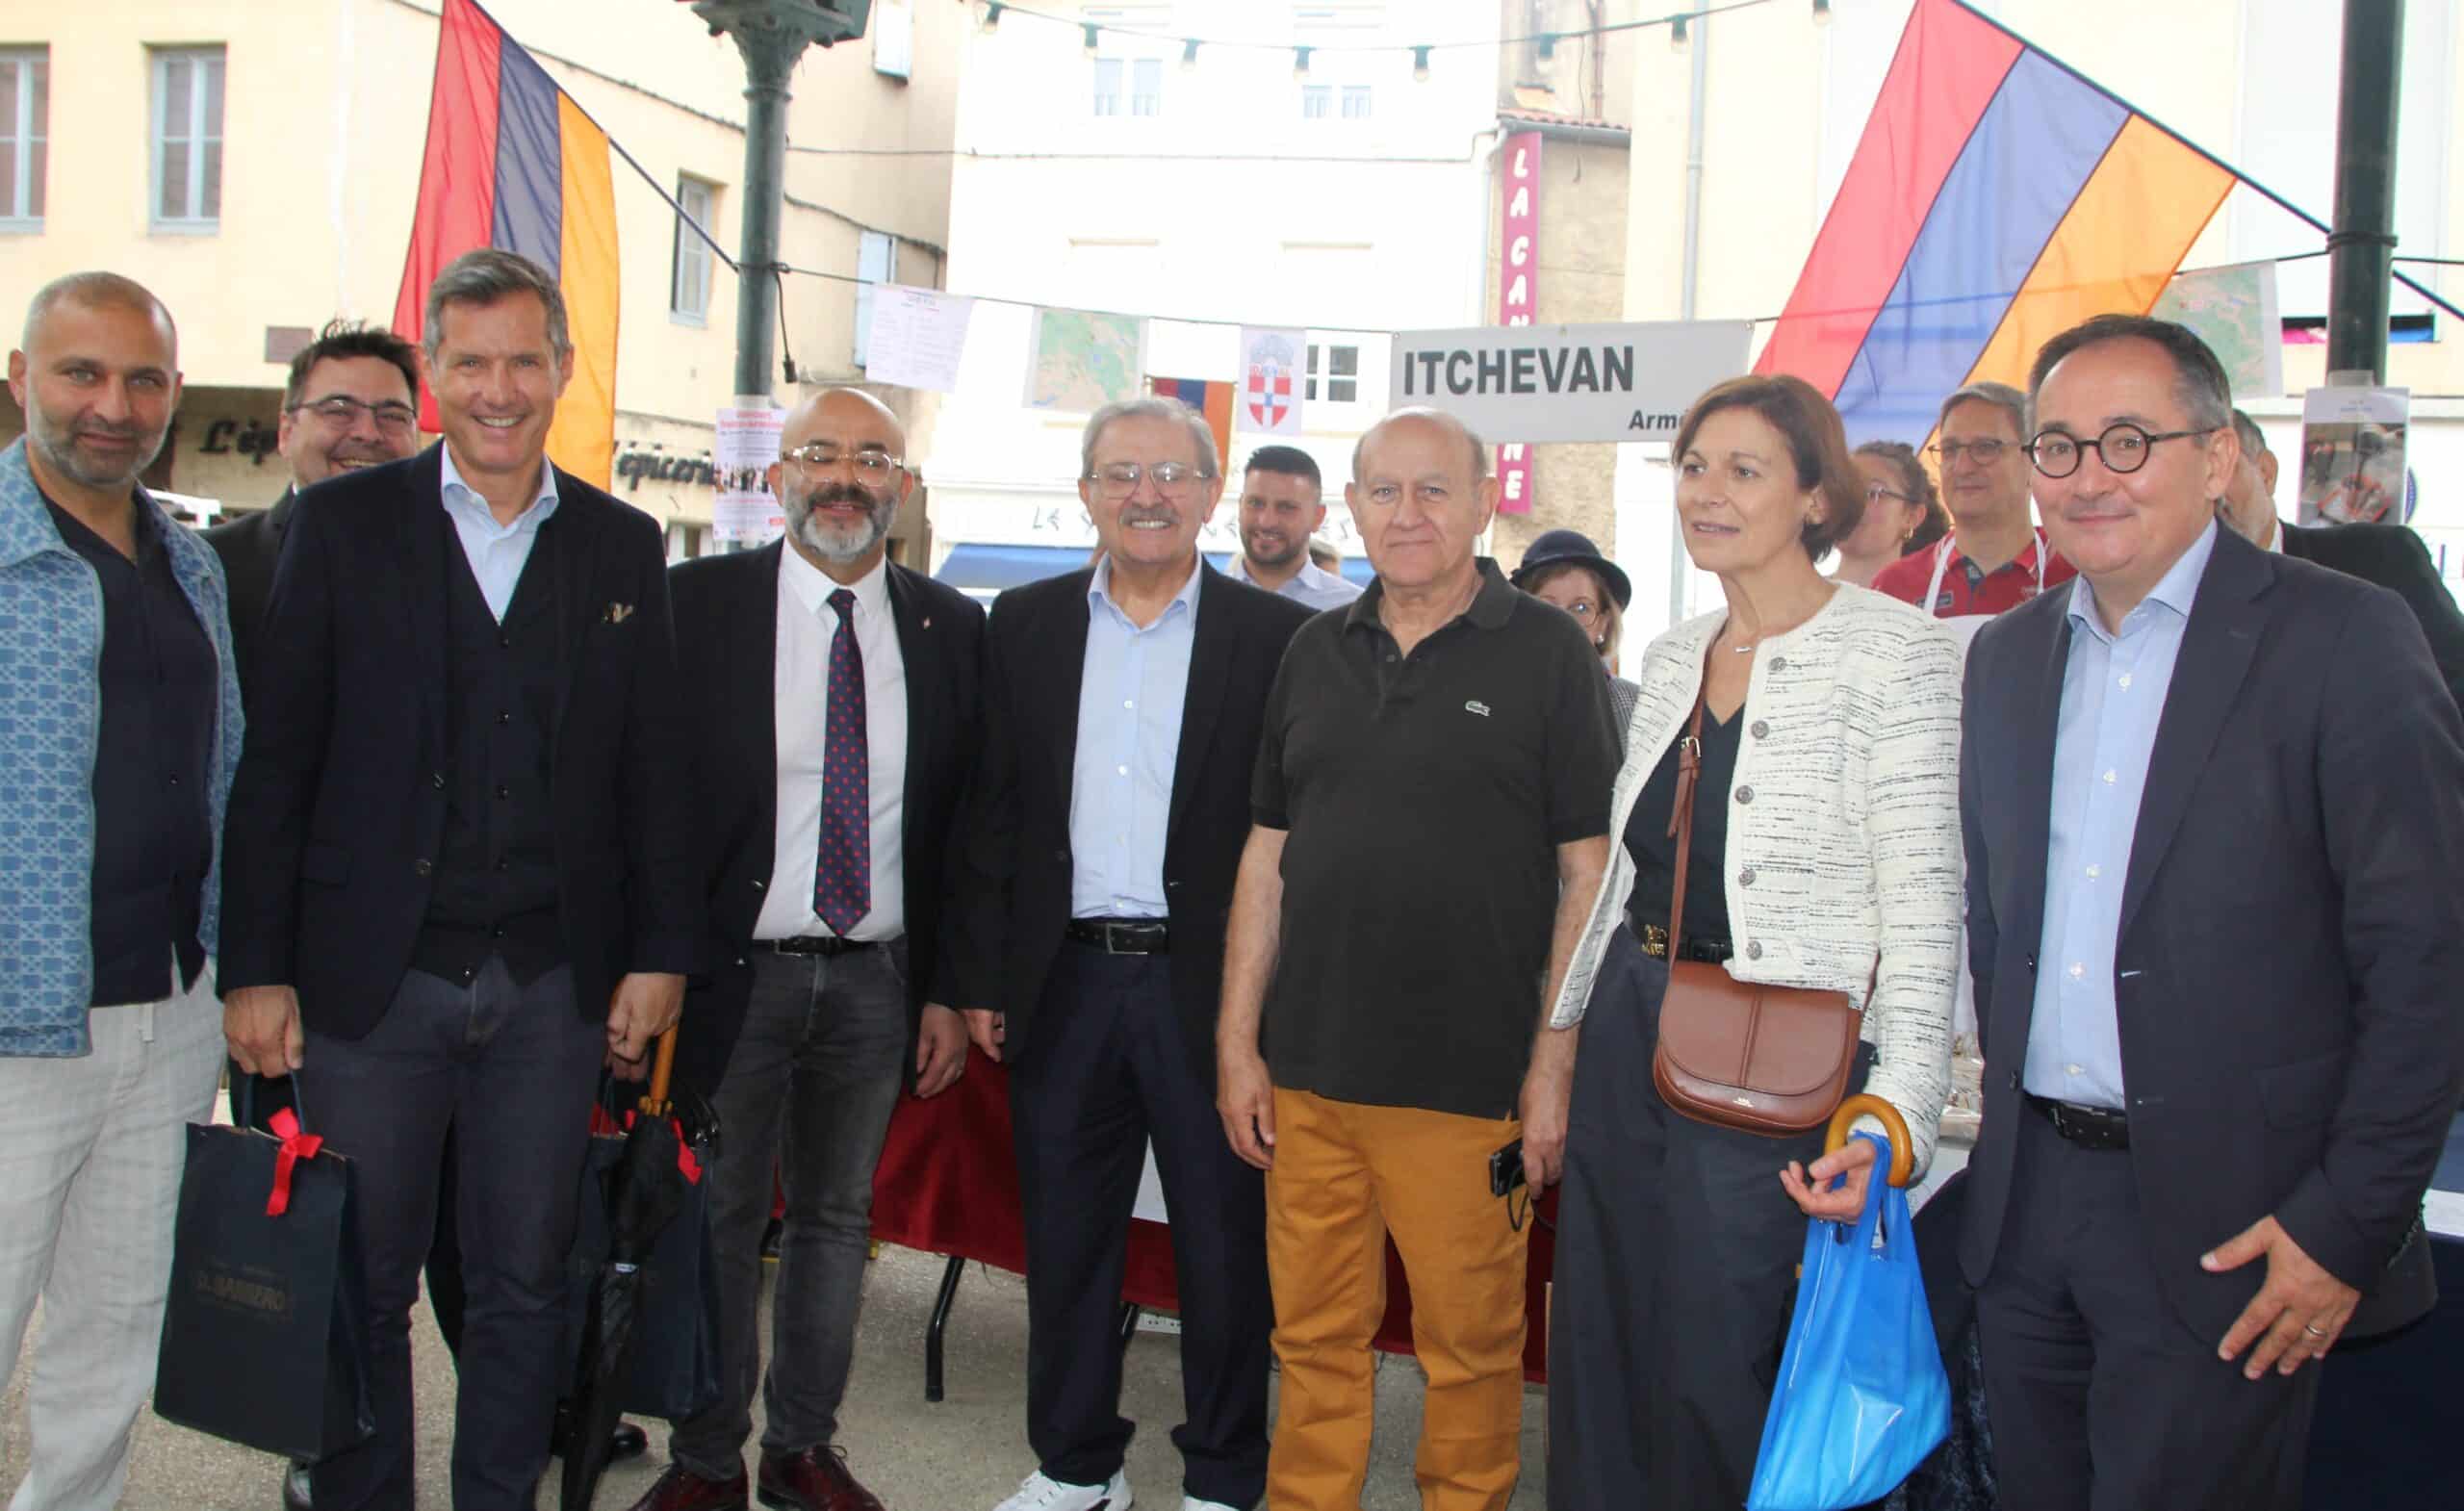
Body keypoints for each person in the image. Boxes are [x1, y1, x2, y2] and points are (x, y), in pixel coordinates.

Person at [218, 247, 703, 1511]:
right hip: (369, 984)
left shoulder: (621, 545)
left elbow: (655, 772)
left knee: (525, 1285)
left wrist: (661, 955)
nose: (498, 389)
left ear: (562, 368)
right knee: (361, 1280)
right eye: (471, 361)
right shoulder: (341, 527)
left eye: (522, 360)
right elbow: (278, 763)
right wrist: (255, 967)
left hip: (551, 986)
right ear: (433, 369)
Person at [1959, 315, 2464, 1509]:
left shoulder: (2343, 636)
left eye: (2128, 441)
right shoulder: (2008, 657)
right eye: (2059, 445)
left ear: (2219, 454)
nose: (2088, 477)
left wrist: (2345, 1221)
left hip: (2235, 1221)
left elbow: (2427, 957)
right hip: (2028, 1212)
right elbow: (1995, 918)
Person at [1535, 374, 1961, 1508]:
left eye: (1743, 469)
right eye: (1692, 467)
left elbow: (1925, 907)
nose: (1706, 492)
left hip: (1777, 1055)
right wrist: (1558, 1048)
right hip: (1629, 1024)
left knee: (1721, 1372)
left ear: (1816, 496)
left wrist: (1897, 1114)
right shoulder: (1675, 654)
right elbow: (1620, 880)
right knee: (1602, 1349)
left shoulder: (1898, 654)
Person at [1217, 407, 1619, 1511]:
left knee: (1471, 1354)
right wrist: (1236, 1043)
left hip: (1468, 1086)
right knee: (1310, 1339)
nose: (1408, 514)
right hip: (1307, 1081)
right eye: (1384, 491)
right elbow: (1265, 855)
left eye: (1434, 489)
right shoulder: (1312, 650)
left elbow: (1589, 871)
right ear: (1351, 508)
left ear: (1485, 502)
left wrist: (1553, 1065)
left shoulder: (1548, 653)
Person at [936, 397, 1311, 1511]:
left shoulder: (1276, 638)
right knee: (1065, 1237)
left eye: (1171, 474)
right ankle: (1074, 1464)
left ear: (1210, 492)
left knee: (1223, 1243)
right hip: (1064, 981)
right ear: (1087, 491)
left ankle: (1224, 1476)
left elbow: (1298, 833)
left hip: (1212, 989)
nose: (1146, 494)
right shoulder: (1025, 622)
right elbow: (992, 812)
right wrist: (981, 974)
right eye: (1121, 473)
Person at [628, 388, 985, 1511]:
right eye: (819, 453)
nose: (844, 476)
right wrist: (651, 961)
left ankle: (801, 1450)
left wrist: (949, 988)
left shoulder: (950, 628)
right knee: (719, 1219)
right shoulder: (694, 605)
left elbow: (966, 826)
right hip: (730, 978)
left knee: (836, 1222)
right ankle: (705, 1458)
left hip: (878, 980)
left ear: (902, 488)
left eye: (871, 457)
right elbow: (646, 802)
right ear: (777, 476)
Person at [0, 272, 241, 1511]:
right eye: (80, 373)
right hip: (15, 1026)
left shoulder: (192, 564)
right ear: (20, 380)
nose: (112, 405)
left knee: (114, 1339)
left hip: (171, 1014)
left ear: (173, 395)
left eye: (142, 380)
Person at [207, 320, 424, 682]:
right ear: (286, 432)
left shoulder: (454, 566)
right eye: (339, 410)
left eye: (392, 416)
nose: (368, 433)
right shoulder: (211, 569)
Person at [2218, 407, 2464, 714]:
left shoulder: (2380, 559)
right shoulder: (2170, 594)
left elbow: (2456, 680)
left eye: (2220, 467)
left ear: (2266, 472)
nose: (2207, 491)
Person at [1872, 381, 2076, 616]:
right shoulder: (1894, 588)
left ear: (2032, 458)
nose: (1963, 467)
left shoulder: (2080, 575)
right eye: (1950, 450)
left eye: (1985, 448)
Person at [1510, 525, 1641, 737]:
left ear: (1603, 623)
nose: (1564, 622)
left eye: (1581, 608)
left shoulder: (1639, 711)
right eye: (1546, 605)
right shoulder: (1491, 701)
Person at [1222, 444, 1361, 611]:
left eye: (1286, 507)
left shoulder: (1352, 610)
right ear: (1240, 506)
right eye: (1255, 503)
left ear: (1318, 517)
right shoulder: (1205, 598)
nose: (1267, 521)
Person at [1834, 438, 1948, 587]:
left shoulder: (1930, 597)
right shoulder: (1805, 593)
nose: (1854, 500)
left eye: (1873, 492)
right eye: (1846, 487)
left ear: (1912, 517)